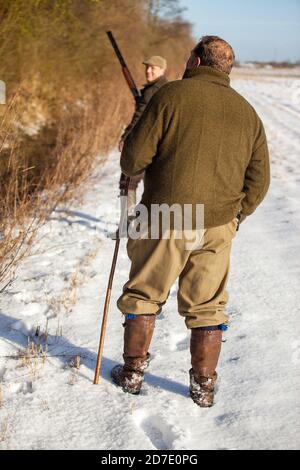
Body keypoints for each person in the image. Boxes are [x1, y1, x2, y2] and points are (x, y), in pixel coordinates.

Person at [111, 36, 270, 407]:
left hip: (167, 215)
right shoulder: (248, 113)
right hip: (217, 224)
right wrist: (234, 217)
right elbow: (259, 181)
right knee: (209, 306)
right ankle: (204, 386)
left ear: (196, 62)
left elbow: (132, 160)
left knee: (144, 294)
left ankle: (133, 373)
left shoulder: (170, 96)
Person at [119, 55, 168, 216]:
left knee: (128, 182)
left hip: (143, 143)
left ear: (162, 70)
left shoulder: (152, 90)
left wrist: (126, 137)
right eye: (147, 67)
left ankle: (128, 220)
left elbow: (139, 116)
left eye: (153, 68)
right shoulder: (166, 88)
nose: (148, 71)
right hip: (159, 144)